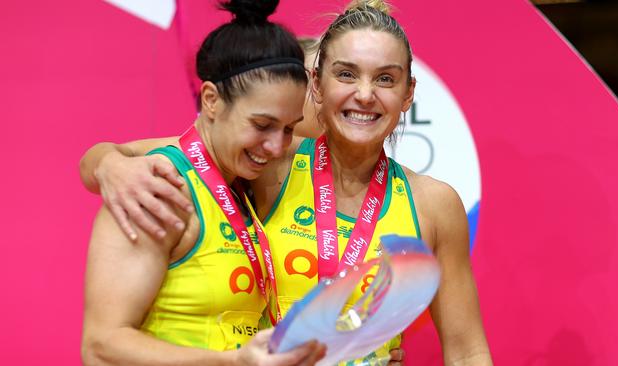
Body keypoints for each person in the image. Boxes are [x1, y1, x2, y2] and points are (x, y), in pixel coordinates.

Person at [80, 1, 492, 365]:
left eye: (386, 79)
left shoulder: (435, 204)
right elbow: (170, 153)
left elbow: (467, 350)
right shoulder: (271, 161)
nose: (365, 95)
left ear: (407, 93)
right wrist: (107, 164)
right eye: (346, 74)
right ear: (318, 84)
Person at [80, 1, 327, 365]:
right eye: (261, 125)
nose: (277, 146)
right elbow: (101, 348)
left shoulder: (240, 183)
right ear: (210, 100)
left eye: (288, 128)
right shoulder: (156, 188)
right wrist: (234, 363)